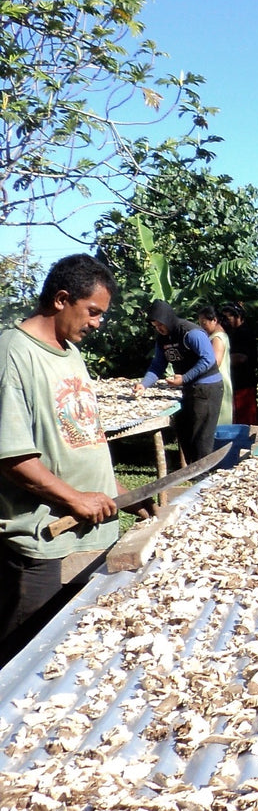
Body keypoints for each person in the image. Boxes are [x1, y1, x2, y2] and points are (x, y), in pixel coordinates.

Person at [0, 255, 131, 665]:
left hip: (89, 532)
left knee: (68, 654)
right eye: (93, 312)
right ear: (61, 299)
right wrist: (74, 498)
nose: (98, 323)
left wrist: (118, 490)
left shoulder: (70, 351)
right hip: (43, 542)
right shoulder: (12, 354)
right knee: (22, 661)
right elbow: (13, 457)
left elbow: (77, 435)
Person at [134, 301, 224, 462]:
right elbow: (158, 364)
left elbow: (208, 359)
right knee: (184, 431)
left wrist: (184, 378)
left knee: (201, 436)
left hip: (207, 388)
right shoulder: (162, 339)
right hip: (189, 389)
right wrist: (144, 384)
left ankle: (202, 476)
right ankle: (192, 472)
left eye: (160, 324)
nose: (159, 329)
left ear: (168, 319)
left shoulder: (190, 333)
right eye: (155, 326)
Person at [219, 301, 257, 424]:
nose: (224, 321)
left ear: (238, 316)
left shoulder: (243, 333)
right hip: (236, 383)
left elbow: (241, 357)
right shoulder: (232, 333)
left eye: (227, 317)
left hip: (244, 383)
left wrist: (222, 359)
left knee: (244, 420)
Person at [197, 306, 234, 426]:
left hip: (217, 383)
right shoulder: (220, 336)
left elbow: (214, 363)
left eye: (204, 323)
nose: (202, 327)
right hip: (221, 382)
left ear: (214, 320)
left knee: (217, 421)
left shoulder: (217, 338)